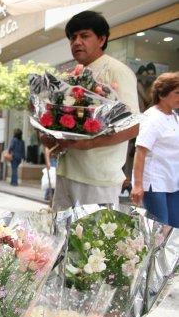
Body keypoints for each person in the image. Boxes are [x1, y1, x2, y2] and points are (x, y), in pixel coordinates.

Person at [40, 11, 139, 211]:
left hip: (98, 178)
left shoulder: (116, 70)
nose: (76, 42)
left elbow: (133, 126)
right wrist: (51, 135)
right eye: (72, 37)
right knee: (62, 237)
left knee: (90, 241)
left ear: (101, 39)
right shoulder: (72, 74)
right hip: (67, 171)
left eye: (84, 36)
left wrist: (90, 143)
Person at [131, 72, 179, 226]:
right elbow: (140, 152)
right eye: (177, 93)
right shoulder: (152, 117)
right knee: (159, 230)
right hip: (154, 183)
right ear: (162, 94)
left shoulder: (174, 117)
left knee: (175, 228)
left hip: (172, 181)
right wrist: (138, 185)